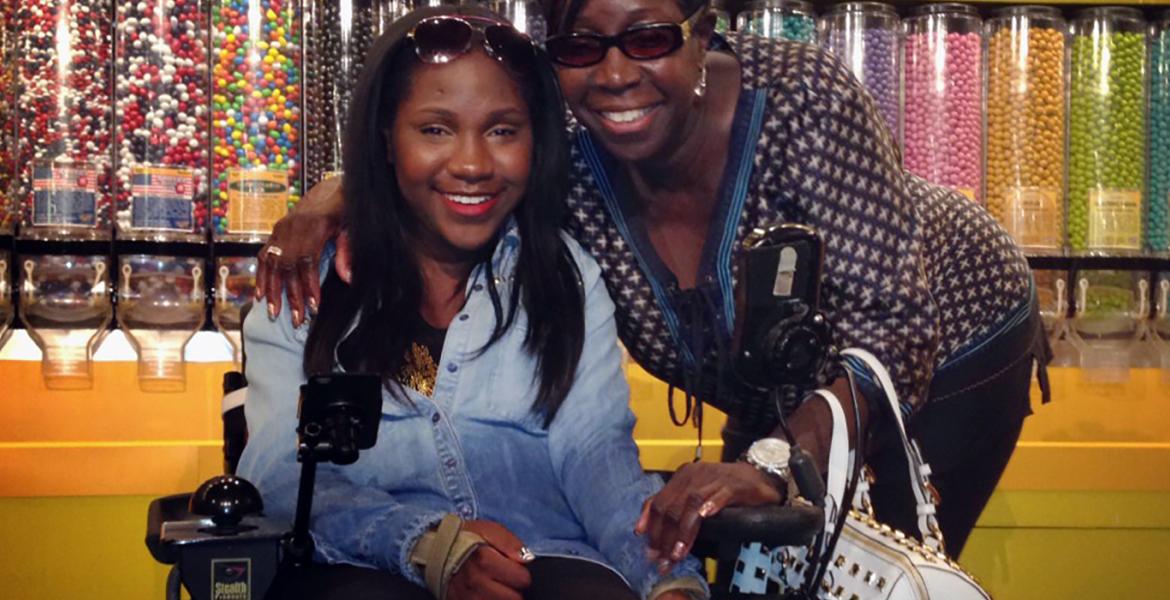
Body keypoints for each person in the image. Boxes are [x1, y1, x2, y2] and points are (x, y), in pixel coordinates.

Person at [257, 0, 1050, 571]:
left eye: (648, 37)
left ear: (702, 36)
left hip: (947, 339)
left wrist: (774, 462)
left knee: (865, 569)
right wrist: (338, 193)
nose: (615, 73)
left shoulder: (802, 101)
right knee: (755, 561)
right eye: (582, 46)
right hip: (771, 384)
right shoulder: (566, 139)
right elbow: (456, 149)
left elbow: (892, 329)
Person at [237, 7, 708, 600]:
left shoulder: (563, 277)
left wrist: (668, 581)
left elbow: (596, 457)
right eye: (435, 129)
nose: (472, 164)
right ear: (386, 137)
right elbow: (280, 479)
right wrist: (430, 545)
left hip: (545, 559)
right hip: (365, 569)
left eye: (502, 130)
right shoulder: (307, 281)